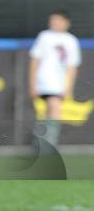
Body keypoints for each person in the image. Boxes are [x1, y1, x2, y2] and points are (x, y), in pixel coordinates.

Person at [29, 12, 81, 147]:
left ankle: (47, 141)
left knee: (54, 107)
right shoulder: (44, 37)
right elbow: (35, 61)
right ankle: (45, 142)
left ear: (66, 22)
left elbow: (72, 67)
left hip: (59, 82)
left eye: (58, 20)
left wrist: (68, 87)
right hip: (43, 80)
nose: (55, 23)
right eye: (53, 20)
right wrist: (33, 84)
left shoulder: (71, 40)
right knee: (47, 109)